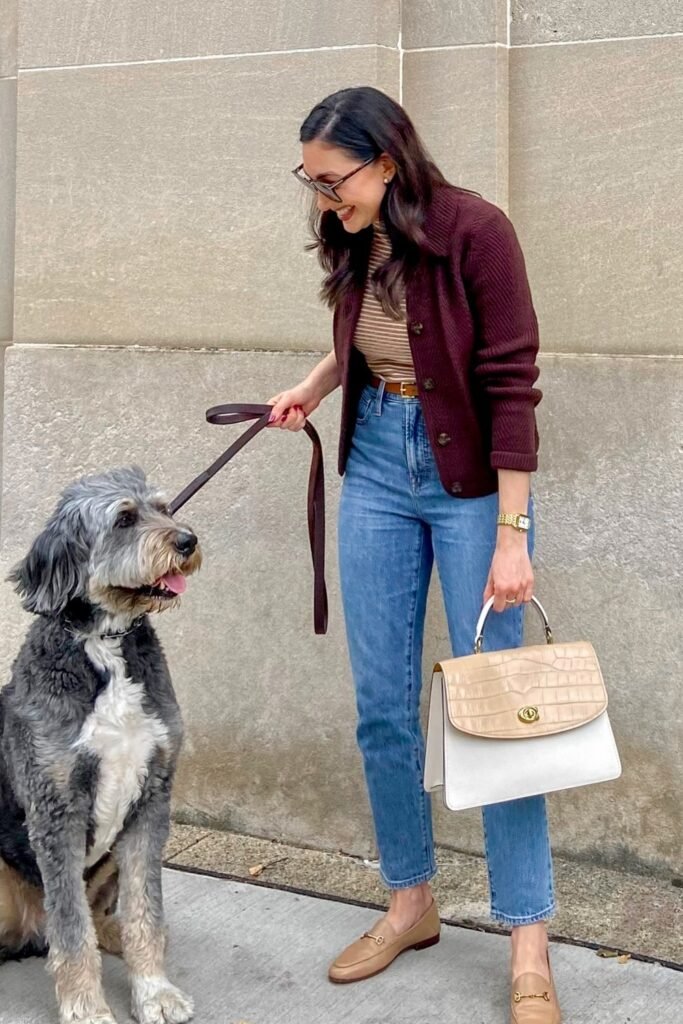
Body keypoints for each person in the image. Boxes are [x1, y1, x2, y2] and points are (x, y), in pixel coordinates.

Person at [268, 86, 560, 1023]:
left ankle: (526, 940)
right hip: (376, 467)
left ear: (387, 161)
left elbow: (511, 385)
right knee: (382, 706)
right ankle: (410, 903)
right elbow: (363, 334)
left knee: (499, 711)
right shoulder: (354, 232)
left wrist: (512, 536)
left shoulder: (478, 231)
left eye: (332, 179)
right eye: (309, 181)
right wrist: (314, 385)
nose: (322, 199)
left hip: (471, 479)